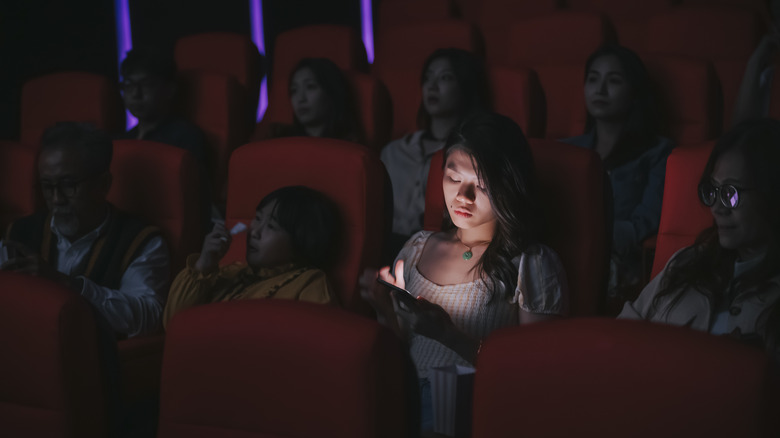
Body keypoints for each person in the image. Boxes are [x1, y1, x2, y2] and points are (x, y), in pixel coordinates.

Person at [362, 112, 569, 431]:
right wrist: (383, 310)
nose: (462, 197)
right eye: (453, 178)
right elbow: (404, 351)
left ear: (509, 186)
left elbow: (533, 375)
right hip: (403, 401)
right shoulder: (417, 247)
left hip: (474, 410)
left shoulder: (531, 263)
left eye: (481, 186)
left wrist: (450, 336)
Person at [619, 118, 780, 360]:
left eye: (731, 194)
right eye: (713, 191)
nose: (717, 207)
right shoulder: (685, 263)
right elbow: (621, 336)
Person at [2, 122, 170, 337]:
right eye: (47, 186)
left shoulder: (141, 241)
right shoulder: (19, 233)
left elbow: (147, 317)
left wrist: (65, 284)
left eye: (68, 185)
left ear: (103, 184)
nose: (56, 199)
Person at [562, 44, 674, 298]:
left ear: (634, 92)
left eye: (613, 81)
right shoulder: (567, 150)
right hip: (563, 254)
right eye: (593, 79)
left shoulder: (659, 152)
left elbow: (643, 224)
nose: (600, 89)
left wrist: (585, 235)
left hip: (620, 264)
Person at [163, 185, 341, 327]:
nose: (254, 231)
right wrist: (203, 265)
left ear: (302, 240)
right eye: (257, 218)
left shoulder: (309, 282)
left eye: (271, 226)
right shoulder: (232, 272)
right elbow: (174, 323)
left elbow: (319, 345)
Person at [380, 48, 490, 255]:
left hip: (435, 252)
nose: (432, 85)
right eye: (428, 78)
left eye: (445, 78)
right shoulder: (393, 151)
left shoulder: (471, 158)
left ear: (464, 86)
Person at [118, 48, 207, 166]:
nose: (136, 94)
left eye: (146, 84)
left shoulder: (185, 138)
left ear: (169, 89)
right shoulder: (124, 140)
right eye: (129, 85)